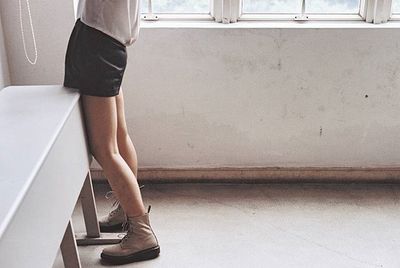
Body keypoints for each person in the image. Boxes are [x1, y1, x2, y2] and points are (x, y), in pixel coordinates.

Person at [63, 0, 160, 264]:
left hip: (98, 41)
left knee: (105, 148)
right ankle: (125, 213)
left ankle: (141, 232)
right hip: (109, 41)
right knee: (118, 137)